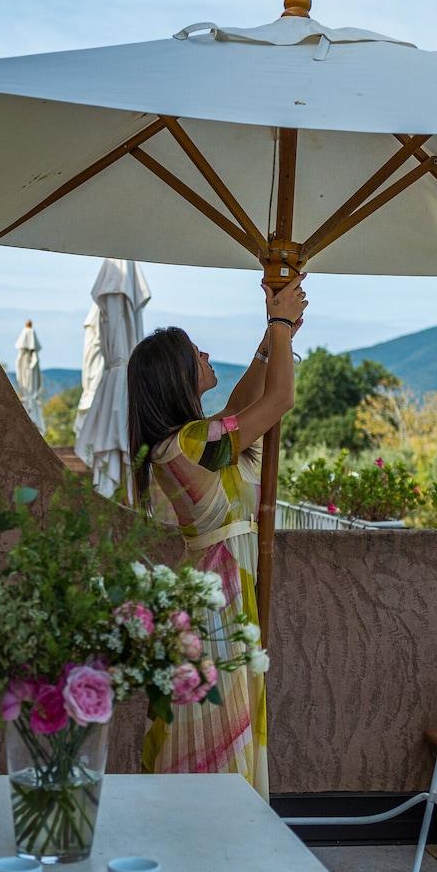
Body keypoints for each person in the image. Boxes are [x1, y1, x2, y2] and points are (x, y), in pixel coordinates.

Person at [125, 277, 307, 799]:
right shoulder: (192, 442)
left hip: (211, 591)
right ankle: (214, 831)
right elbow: (279, 400)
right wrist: (279, 326)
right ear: (175, 375)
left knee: (211, 720)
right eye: (193, 352)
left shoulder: (183, 442)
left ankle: (199, 831)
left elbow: (243, 403)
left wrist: (271, 341)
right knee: (220, 724)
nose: (204, 353)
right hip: (218, 602)